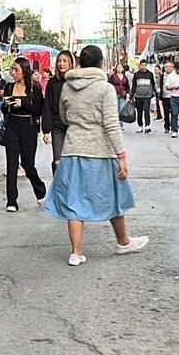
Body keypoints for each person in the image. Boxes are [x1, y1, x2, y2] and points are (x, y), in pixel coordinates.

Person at [43, 45, 148, 265]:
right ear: (101, 63)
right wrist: (121, 155)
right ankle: (123, 241)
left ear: (80, 62)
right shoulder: (105, 88)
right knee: (113, 196)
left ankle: (76, 252)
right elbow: (111, 124)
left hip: (72, 149)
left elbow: (63, 117)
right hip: (100, 151)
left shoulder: (68, 87)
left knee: (74, 200)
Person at [2, 57, 47, 211]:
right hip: (12, 126)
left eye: (16, 70)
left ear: (24, 70)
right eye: (12, 69)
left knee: (28, 165)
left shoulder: (34, 87)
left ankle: (39, 188)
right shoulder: (9, 87)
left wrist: (24, 103)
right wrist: (6, 105)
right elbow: (3, 109)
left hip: (28, 127)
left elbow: (38, 110)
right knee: (11, 163)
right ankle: (11, 200)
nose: (13, 73)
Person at [42, 51, 74, 173]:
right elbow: (47, 107)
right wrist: (46, 130)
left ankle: (71, 188)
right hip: (57, 126)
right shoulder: (52, 82)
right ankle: (59, 188)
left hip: (73, 126)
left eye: (65, 61)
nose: (61, 64)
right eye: (59, 61)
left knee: (72, 160)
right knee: (58, 161)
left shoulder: (76, 81)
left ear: (71, 63)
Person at [164, 61, 179, 138]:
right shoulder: (171, 76)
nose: (178, 71)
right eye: (177, 69)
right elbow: (167, 87)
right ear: (175, 68)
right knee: (174, 114)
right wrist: (174, 87)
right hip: (173, 96)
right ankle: (174, 130)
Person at [131, 60, 156, 133]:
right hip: (138, 96)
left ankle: (147, 125)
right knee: (139, 112)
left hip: (147, 96)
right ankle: (140, 126)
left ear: (146, 65)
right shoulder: (136, 75)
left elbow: (153, 84)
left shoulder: (150, 74)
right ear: (139, 65)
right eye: (142, 65)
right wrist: (132, 95)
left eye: (145, 65)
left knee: (146, 110)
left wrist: (154, 93)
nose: (143, 66)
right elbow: (134, 85)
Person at [108, 63, 130, 128]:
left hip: (122, 95)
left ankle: (120, 123)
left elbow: (127, 86)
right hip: (114, 94)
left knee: (121, 109)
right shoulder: (113, 76)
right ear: (116, 68)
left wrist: (128, 93)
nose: (119, 69)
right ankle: (115, 123)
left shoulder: (125, 77)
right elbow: (109, 84)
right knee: (115, 109)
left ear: (123, 69)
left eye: (121, 67)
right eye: (118, 67)